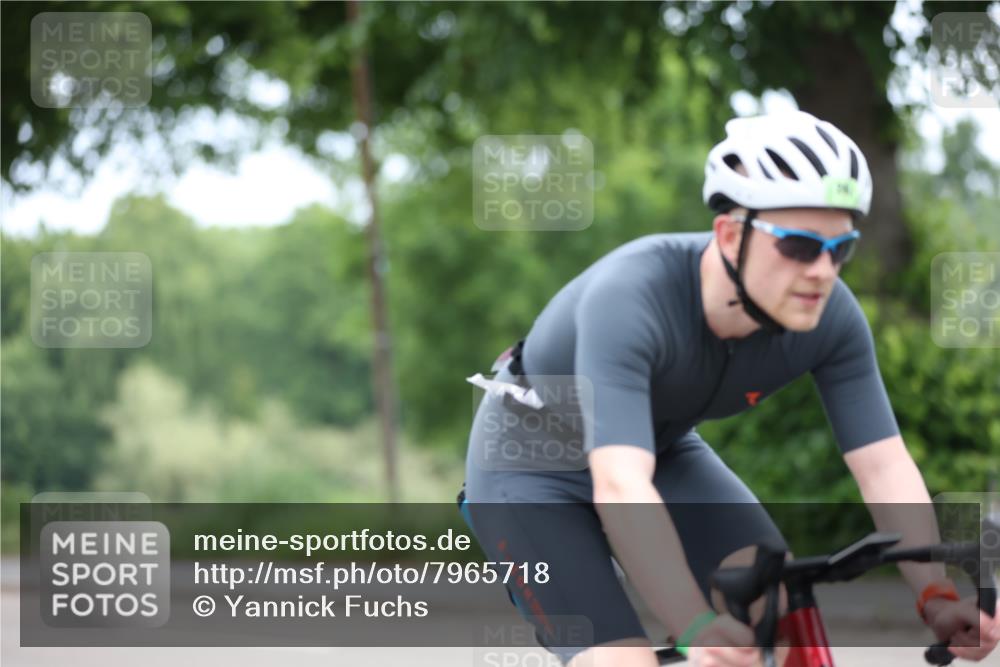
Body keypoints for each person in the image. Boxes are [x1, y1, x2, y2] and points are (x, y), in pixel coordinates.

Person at [461, 110, 1000, 667]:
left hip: (661, 449)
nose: (822, 270)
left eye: (841, 249)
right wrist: (694, 626)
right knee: (625, 660)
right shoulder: (631, 297)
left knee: (779, 605)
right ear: (729, 235)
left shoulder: (832, 317)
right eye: (798, 245)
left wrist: (934, 597)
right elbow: (621, 485)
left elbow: (883, 465)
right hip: (529, 463)